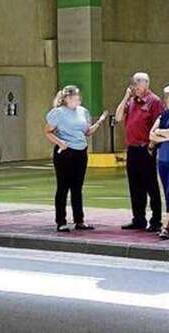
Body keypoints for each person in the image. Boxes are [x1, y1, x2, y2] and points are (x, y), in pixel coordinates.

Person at [45, 85, 108, 233]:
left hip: (81, 151)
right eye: (74, 97)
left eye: (78, 97)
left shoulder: (83, 111)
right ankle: (61, 221)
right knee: (63, 187)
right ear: (66, 98)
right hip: (65, 152)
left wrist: (99, 122)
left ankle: (79, 220)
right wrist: (60, 142)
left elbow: (87, 132)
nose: (77, 100)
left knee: (77, 187)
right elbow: (48, 131)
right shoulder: (58, 113)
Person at [115, 72, 164, 232]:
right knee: (135, 185)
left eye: (137, 83)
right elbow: (118, 117)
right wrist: (125, 97)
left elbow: (159, 125)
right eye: (133, 83)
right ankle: (138, 219)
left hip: (146, 148)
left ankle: (156, 220)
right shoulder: (131, 101)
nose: (134, 86)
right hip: (132, 149)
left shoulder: (154, 101)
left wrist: (152, 146)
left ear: (146, 83)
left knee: (151, 185)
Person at [149, 84, 169, 239]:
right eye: (167, 96)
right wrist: (163, 134)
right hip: (162, 159)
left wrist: (160, 133)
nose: (167, 99)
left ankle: (167, 225)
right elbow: (151, 134)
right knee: (166, 190)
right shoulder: (165, 115)